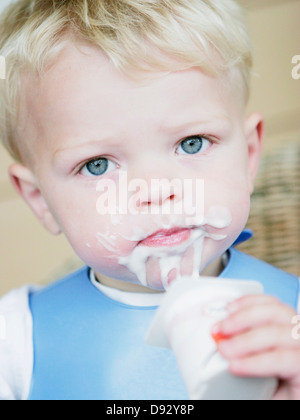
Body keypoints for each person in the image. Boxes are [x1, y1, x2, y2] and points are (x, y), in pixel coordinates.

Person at [0, 0, 299, 400]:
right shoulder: (16, 341)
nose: (156, 191)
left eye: (191, 144)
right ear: (40, 200)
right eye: (98, 165)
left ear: (247, 156)